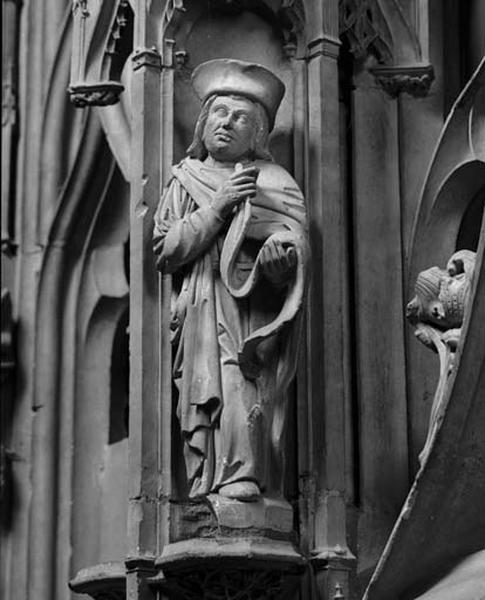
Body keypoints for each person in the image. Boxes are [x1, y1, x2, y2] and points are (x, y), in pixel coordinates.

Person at [153, 59, 309, 501]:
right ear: (203, 123)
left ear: (257, 134)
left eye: (241, 118)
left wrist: (280, 263)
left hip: (247, 310)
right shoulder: (183, 181)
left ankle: (242, 474)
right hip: (199, 307)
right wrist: (219, 206)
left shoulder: (275, 182)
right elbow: (165, 251)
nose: (227, 123)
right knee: (202, 392)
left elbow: (294, 245)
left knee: (242, 381)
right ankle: (204, 479)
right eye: (219, 113)